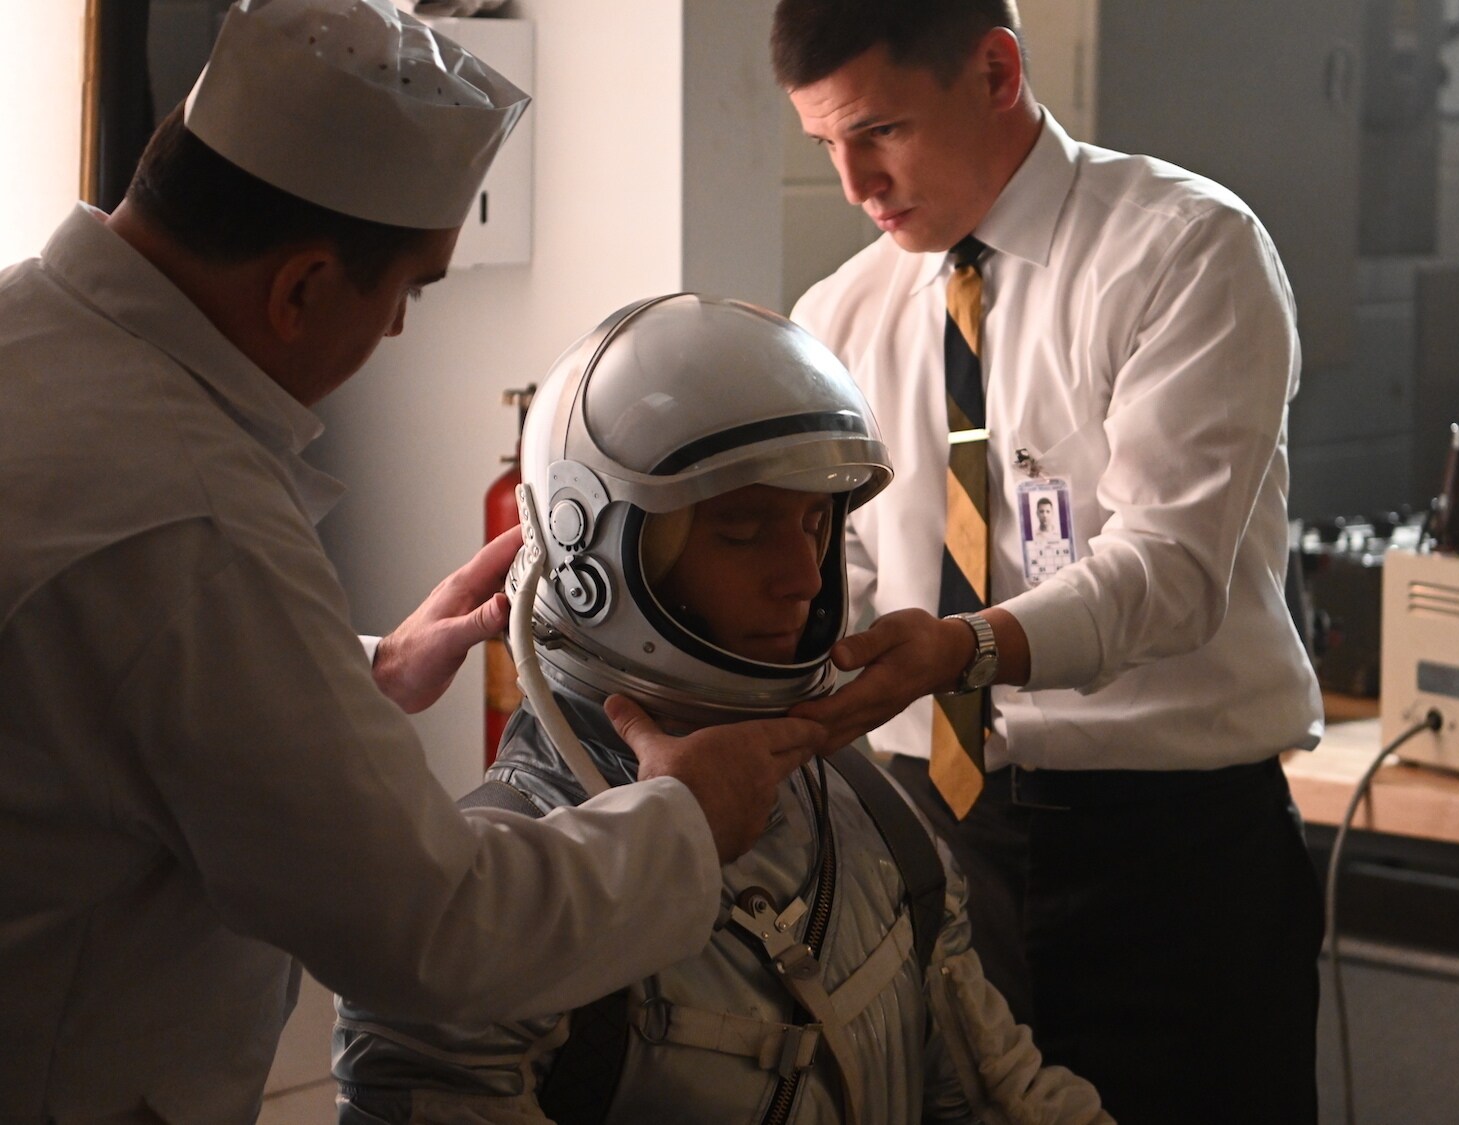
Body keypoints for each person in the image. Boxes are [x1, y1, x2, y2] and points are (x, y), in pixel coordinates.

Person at [0, 4, 817, 1119]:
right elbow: (432, 932)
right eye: (409, 291)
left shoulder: (32, 347)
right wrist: (686, 820)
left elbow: (90, 689)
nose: (393, 331)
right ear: (300, 287)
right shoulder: (191, 518)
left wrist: (361, 674)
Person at [331, 295, 1111, 1125]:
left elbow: (998, 1098)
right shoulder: (479, 910)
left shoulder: (879, 822)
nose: (804, 577)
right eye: (742, 532)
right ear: (599, 556)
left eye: (814, 523)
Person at [772, 1, 1327, 1121]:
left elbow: (1167, 568)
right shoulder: (836, 315)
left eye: (878, 131)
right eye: (824, 146)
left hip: (1167, 858)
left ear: (994, 70)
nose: (855, 186)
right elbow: (846, 591)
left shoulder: (1181, 247)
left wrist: (961, 650)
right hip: (929, 836)